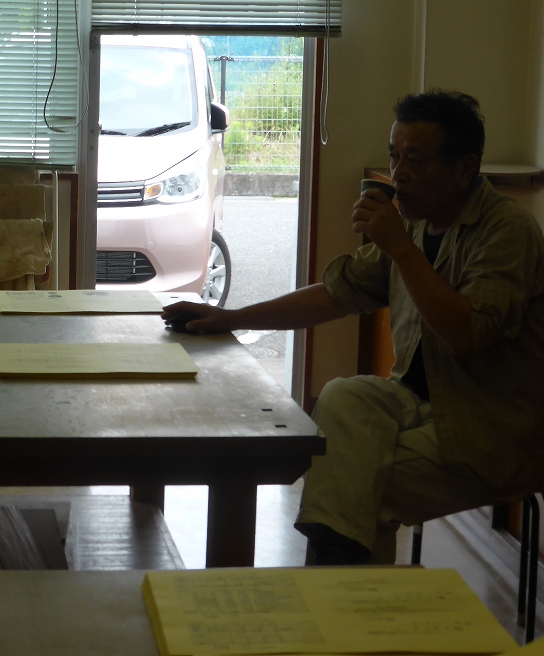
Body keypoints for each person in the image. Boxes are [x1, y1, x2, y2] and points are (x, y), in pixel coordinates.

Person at [162, 90, 544, 564]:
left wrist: (401, 249)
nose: (398, 174)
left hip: (488, 426)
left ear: (464, 169)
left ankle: (337, 593)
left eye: (415, 160)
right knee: (343, 395)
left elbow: (466, 338)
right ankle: (341, 589)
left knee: (357, 490)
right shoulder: (417, 225)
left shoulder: (507, 231)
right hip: (416, 401)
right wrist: (233, 318)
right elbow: (336, 294)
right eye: (394, 156)